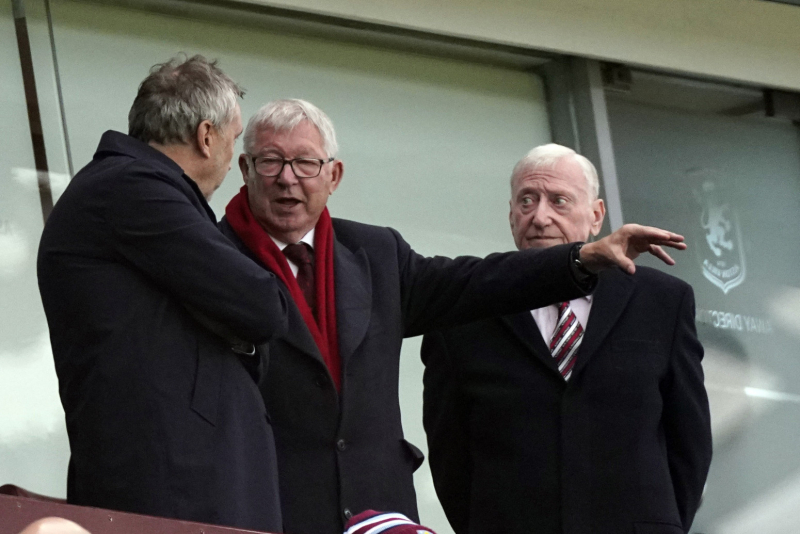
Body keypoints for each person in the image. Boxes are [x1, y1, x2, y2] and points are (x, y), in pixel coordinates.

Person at [219, 99, 686, 534]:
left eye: (305, 163)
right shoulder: (210, 261)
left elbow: (474, 281)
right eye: (270, 161)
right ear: (245, 169)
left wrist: (581, 260)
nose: (288, 178)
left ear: (333, 174)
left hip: (375, 514)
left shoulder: (377, 254)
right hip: (263, 510)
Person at [37, 56, 287, 531]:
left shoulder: (127, 190)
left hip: (179, 486)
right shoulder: (132, 187)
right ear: (206, 136)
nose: (232, 162)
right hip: (171, 492)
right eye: (234, 140)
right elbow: (262, 304)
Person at [422, 144, 712, 534]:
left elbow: (690, 441)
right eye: (527, 201)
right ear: (511, 214)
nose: (540, 217)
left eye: (559, 201)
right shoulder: (463, 310)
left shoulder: (663, 301)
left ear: (596, 215)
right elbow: (450, 457)